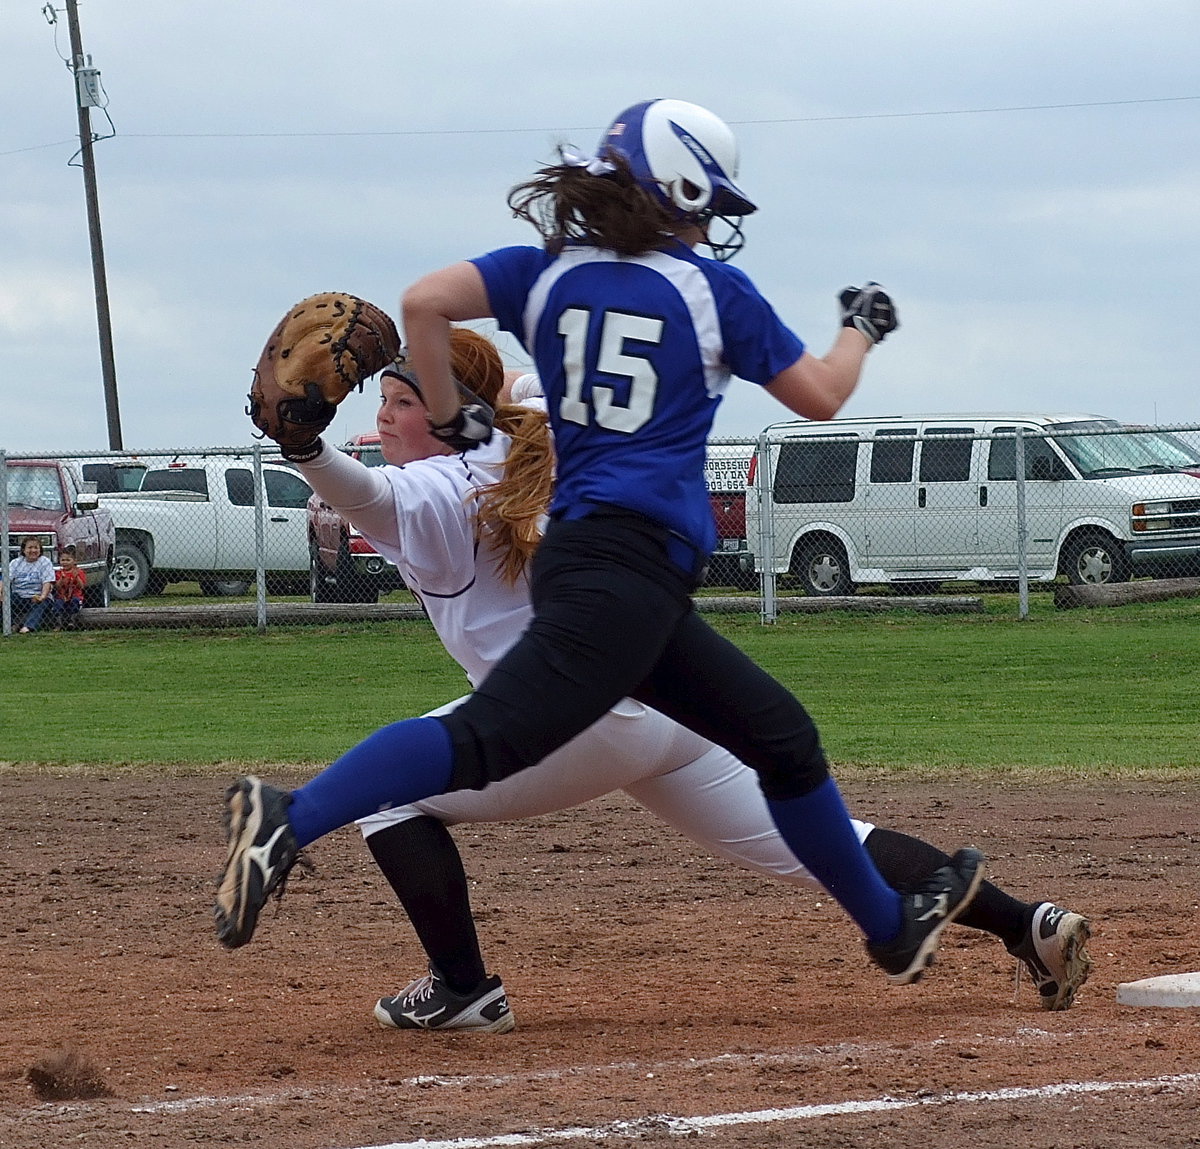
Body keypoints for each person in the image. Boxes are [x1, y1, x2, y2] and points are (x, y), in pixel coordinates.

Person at [216, 99, 986, 990]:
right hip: (627, 567)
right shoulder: (709, 291)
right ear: (678, 193)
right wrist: (862, 326)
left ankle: (891, 926)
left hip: (614, 568)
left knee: (783, 740)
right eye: (705, 205)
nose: (710, 225)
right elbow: (820, 396)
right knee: (490, 736)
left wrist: (448, 407)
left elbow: (423, 302)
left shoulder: (547, 273)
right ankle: (290, 815)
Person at [286, 340, 1089, 1030]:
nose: (385, 416)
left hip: (572, 717)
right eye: (383, 401)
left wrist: (300, 440)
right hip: (669, 701)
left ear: (452, 416)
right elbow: (526, 390)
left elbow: (365, 491)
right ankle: (1029, 924)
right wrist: (486, 384)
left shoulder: (440, 485)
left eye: (401, 401)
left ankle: (463, 987)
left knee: (390, 796)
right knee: (821, 840)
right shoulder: (529, 434)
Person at [5, 536, 55, 633]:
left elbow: (47, 582)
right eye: (30, 547)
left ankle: (28, 627)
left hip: (37, 596)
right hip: (20, 596)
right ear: (23, 550)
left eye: (36, 548)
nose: (33, 550)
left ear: (40, 550)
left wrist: (42, 596)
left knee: (41, 604)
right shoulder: (15, 563)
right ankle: (12, 625)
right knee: (8, 600)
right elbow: (6, 580)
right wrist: (2, 594)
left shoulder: (45, 562)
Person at [51, 545, 87, 630]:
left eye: (68, 560)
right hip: (62, 597)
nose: (65, 562)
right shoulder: (59, 573)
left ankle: (72, 621)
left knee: (75, 602)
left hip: (75, 596)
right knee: (58, 604)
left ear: (74, 561)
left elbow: (81, 586)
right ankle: (59, 624)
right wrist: (61, 579)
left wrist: (76, 577)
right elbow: (57, 587)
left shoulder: (78, 572)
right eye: (63, 560)